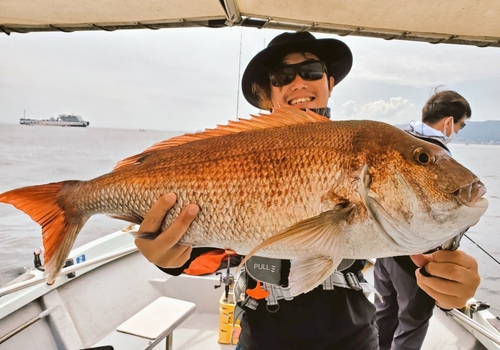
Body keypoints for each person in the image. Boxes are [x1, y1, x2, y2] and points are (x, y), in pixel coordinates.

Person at [135, 32, 481, 350]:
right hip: (260, 331)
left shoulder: (364, 150)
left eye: (311, 71)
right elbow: (206, 244)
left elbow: (414, 253)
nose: (298, 81)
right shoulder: (235, 155)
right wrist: (170, 261)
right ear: (267, 93)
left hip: (353, 332)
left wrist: (447, 279)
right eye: (281, 76)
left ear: (329, 82)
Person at [374, 89, 476, 350]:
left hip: (381, 250)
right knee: (413, 320)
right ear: (449, 122)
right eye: (460, 125)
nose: (457, 131)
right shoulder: (437, 156)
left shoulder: (398, 141)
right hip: (417, 258)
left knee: (384, 312)